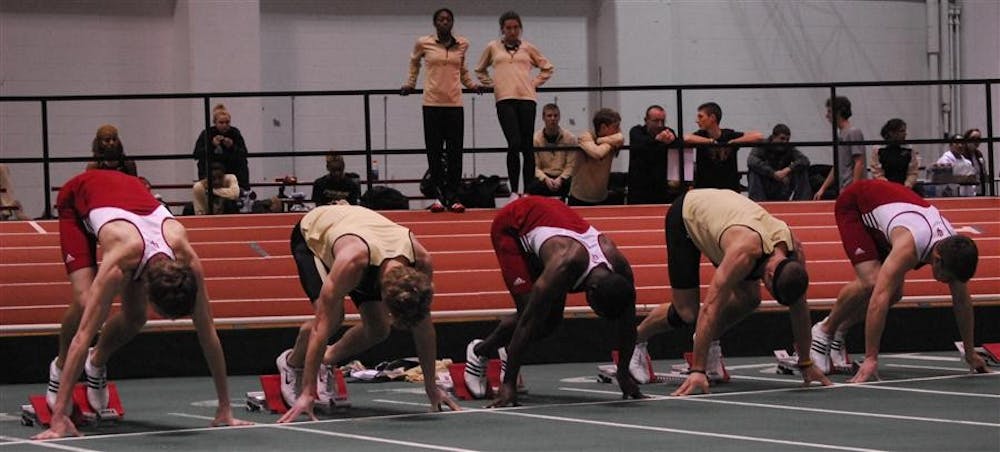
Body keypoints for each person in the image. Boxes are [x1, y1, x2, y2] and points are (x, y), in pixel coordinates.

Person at [34, 169, 250, 439]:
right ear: (147, 288)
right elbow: (83, 336)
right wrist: (59, 418)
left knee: (136, 317)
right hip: (79, 198)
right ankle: (60, 367)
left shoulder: (187, 258)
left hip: (127, 197)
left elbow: (208, 334)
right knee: (85, 303)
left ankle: (96, 362)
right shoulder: (120, 260)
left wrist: (225, 408)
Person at [630, 188, 830, 396]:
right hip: (688, 215)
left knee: (750, 299)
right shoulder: (743, 254)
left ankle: (710, 345)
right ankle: (634, 341)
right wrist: (698, 370)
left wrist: (806, 361)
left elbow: (799, 307)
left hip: (727, 215)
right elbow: (710, 307)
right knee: (687, 312)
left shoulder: (794, 252)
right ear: (769, 276)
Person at [276, 205, 459, 422]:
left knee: (379, 328)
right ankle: (292, 363)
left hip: (365, 240)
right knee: (333, 318)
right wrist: (307, 393)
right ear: (383, 293)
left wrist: (431, 386)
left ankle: (325, 361)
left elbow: (424, 327)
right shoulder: (351, 263)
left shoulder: (422, 261)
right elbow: (320, 327)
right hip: (314, 231)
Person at [464, 196, 642, 407]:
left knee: (553, 321)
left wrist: (623, 372)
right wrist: (508, 384)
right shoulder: (563, 266)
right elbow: (528, 321)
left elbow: (628, 323)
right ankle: (479, 351)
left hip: (550, 217)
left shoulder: (620, 268)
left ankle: (509, 351)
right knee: (534, 314)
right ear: (591, 291)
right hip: (512, 226)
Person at [809, 179, 987, 381]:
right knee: (872, 282)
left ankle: (839, 330)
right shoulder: (909, 247)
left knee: (895, 293)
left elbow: (962, 302)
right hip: (855, 205)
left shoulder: (953, 249)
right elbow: (878, 302)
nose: (948, 283)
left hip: (891, 213)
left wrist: (970, 352)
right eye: (948, 279)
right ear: (936, 260)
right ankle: (823, 331)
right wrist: (870, 359)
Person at [401, 8, 481, 213]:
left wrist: (471, 85)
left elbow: (462, 70)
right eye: (441, 19)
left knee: (455, 152)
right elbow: (414, 62)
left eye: (448, 19)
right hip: (432, 104)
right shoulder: (424, 43)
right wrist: (410, 83)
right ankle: (438, 196)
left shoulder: (462, 44)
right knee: (434, 152)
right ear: (435, 23)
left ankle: (453, 197)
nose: (444, 22)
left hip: (454, 104)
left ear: (452, 23)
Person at [475, 10, 554, 198]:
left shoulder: (528, 48)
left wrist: (533, 83)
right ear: (502, 29)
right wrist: (493, 85)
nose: (512, 31)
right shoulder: (493, 47)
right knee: (514, 142)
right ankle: (514, 191)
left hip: (527, 99)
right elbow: (479, 69)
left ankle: (528, 191)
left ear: (520, 29)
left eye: (516, 27)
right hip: (505, 99)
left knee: (527, 145)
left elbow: (547, 67)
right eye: (508, 28)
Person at [684, 102, 763, 192]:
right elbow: (686, 138)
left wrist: (734, 142)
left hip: (729, 190)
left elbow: (758, 136)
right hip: (705, 190)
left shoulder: (729, 134)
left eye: (701, 116)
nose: (697, 120)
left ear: (712, 118)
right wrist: (710, 141)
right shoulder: (700, 135)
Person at [567, 108, 624, 206]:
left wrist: (600, 140)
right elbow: (598, 153)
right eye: (615, 127)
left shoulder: (614, 138)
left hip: (601, 196)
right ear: (603, 127)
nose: (618, 130)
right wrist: (609, 143)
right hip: (580, 197)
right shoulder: (585, 137)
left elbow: (620, 137)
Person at [815, 96, 866, 200]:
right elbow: (837, 164)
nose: (826, 115)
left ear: (838, 112)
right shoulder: (841, 134)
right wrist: (823, 188)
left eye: (829, 111)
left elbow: (859, 162)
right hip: (844, 187)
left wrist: (854, 188)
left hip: (851, 188)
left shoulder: (853, 132)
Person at [627, 105, 679, 204]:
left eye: (662, 121)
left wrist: (672, 140)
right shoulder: (636, 131)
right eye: (656, 121)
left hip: (660, 188)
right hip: (639, 189)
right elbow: (641, 142)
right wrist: (658, 139)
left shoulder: (667, 132)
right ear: (646, 120)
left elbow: (676, 143)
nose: (660, 125)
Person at [747, 124, 813, 201]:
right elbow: (751, 160)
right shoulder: (762, 145)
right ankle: (758, 202)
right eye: (782, 138)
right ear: (773, 137)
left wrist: (787, 170)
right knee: (754, 171)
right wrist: (773, 173)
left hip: (783, 185)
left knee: (801, 169)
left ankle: (801, 203)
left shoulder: (789, 148)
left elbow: (804, 160)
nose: (784, 142)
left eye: (787, 140)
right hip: (765, 186)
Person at [192, 104, 250, 191]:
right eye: (221, 123)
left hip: (232, 171)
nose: (224, 125)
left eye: (227, 122)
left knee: (241, 162)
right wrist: (212, 145)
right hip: (212, 172)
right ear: (215, 123)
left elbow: (244, 153)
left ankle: (242, 189)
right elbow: (196, 155)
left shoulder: (234, 133)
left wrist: (232, 147)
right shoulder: (207, 133)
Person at [526, 103, 576, 199]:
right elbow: (534, 166)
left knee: (576, 185)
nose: (553, 118)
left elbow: (571, 165)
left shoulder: (570, 138)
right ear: (543, 118)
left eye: (555, 116)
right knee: (531, 184)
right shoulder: (535, 139)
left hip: (563, 177)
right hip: (544, 177)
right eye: (549, 116)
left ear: (559, 117)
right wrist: (545, 179)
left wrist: (560, 179)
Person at [869, 118, 919, 191]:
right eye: (902, 131)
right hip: (884, 189)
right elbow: (877, 173)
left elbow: (913, 172)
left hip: (906, 188)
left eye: (905, 130)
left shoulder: (909, 149)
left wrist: (907, 185)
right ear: (892, 133)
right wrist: (889, 187)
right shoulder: (878, 149)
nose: (905, 133)